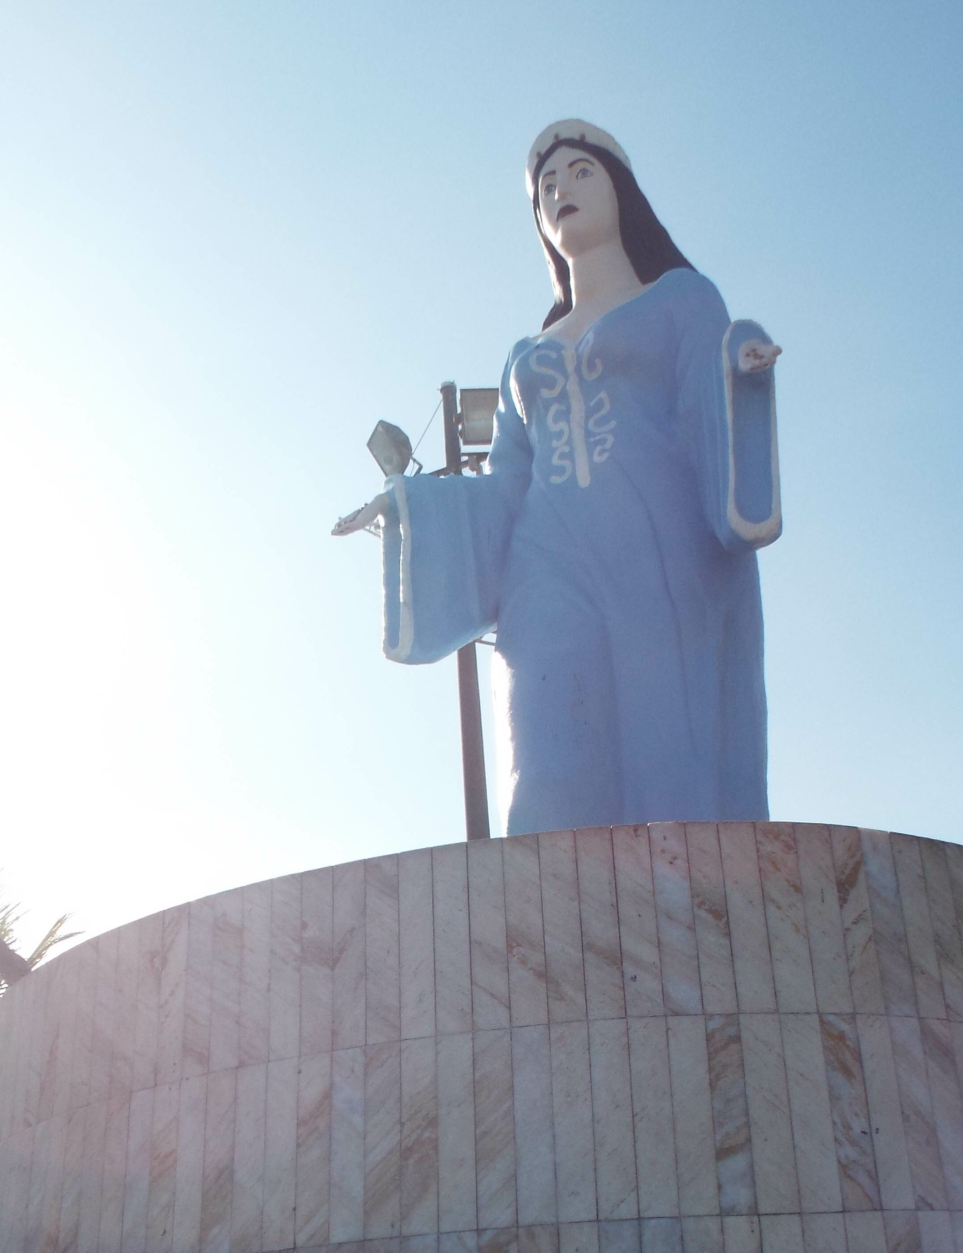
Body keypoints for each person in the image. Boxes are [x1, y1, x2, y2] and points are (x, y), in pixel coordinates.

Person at [334, 121, 782, 836]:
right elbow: (508, 484)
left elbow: (714, 407)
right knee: (548, 766)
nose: (560, 190)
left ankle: (682, 926)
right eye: (546, 185)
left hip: (661, 554)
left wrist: (743, 377)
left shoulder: (683, 300)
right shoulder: (526, 357)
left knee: (672, 761)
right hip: (544, 570)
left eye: (580, 173)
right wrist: (412, 509)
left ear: (619, 191)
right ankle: (554, 944)